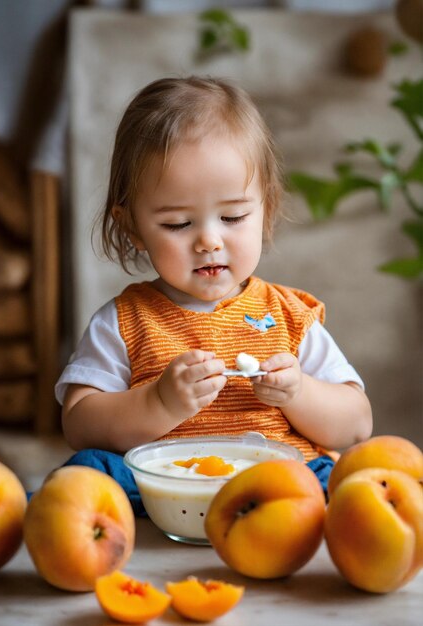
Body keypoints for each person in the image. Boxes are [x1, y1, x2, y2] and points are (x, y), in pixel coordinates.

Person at [56, 76, 372, 509]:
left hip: (276, 490)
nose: (209, 241)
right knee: (87, 469)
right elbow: (78, 424)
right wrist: (159, 402)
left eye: (233, 217)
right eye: (178, 224)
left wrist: (299, 394)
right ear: (133, 227)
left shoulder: (288, 316)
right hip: (162, 490)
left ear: (266, 210)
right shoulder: (125, 321)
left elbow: (356, 424)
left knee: (347, 476)